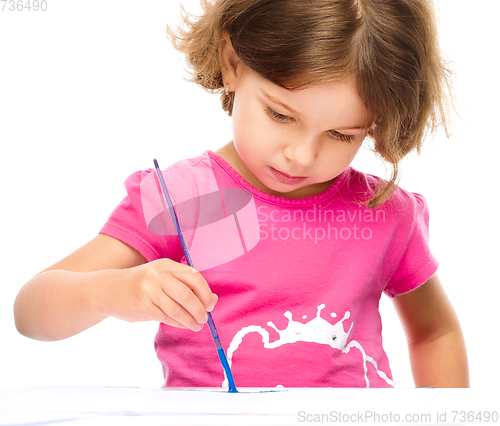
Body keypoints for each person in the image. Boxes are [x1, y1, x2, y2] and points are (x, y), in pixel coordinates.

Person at [14, 0, 469, 388]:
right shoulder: (189, 197)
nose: (301, 156)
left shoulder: (382, 213)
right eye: (281, 115)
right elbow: (31, 310)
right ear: (233, 65)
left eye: (339, 134)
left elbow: (434, 333)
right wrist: (112, 292)